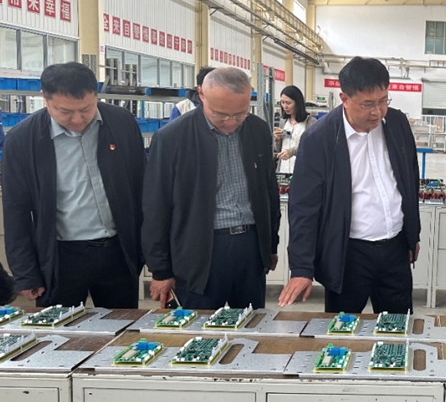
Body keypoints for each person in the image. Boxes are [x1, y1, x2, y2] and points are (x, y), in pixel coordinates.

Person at [278, 57, 420, 314]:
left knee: (398, 327)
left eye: (383, 101)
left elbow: (409, 179)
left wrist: (413, 234)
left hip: (395, 251)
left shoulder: (397, 123)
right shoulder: (320, 138)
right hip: (347, 254)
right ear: (344, 98)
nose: (377, 112)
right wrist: (301, 268)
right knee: (342, 328)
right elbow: (304, 207)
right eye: (368, 104)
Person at [3, 62, 146, 308]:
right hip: (61, 258)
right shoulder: (23, 140)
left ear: (96, 95)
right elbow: (16, 211)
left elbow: (142, 187)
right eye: (65, 111)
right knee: (60, 328)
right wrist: (26, 272)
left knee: (122, 324)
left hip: (118, 253)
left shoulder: (120, 122)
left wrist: (148, 253)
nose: (77, 118)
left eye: (86, 108)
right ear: (45, 99)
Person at [142, 67, 280, 309]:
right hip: (199, 251)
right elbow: (156, 208)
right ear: (201, 95)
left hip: (249, 248)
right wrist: (160, 270)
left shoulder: (257, 130)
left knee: (251, 322)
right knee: (198, 323)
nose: (231, 122)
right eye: (221, 115)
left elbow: (268, 191)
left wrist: (270, 245)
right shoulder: (172, 138)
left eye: (240, 114)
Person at [274, 85, 317, 174]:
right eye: (282, 102)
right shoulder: (283, 122)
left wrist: (292, 152)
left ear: (297, 103)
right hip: (283, 170)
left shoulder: (311, 123)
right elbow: (278, 150)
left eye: (288, 103)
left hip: (302, 171)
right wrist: (277, 139)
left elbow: (312, 148)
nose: (285, 106)